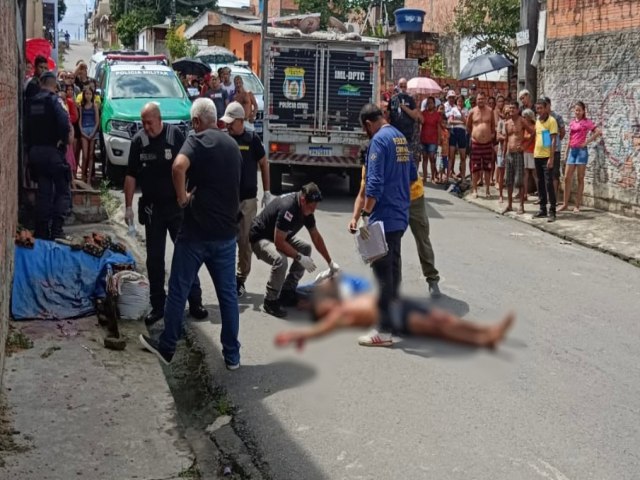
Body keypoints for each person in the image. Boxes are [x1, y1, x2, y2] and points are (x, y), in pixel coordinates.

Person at [139, 98, 243, 370]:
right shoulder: (233, 145)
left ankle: (167, 346)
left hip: (196, 234)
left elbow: (177, 167)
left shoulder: (196, 141)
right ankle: (232, 356)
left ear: (196, 122)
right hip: (225, 235)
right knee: (228, 296)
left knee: (178, 289)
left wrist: (182, 197)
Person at [124, 102, 208, 326]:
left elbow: (190, 166)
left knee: (186, 255)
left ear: (159, 119)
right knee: (154, 260)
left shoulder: (175, 136)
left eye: (149, 123)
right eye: (143, 123)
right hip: (153, 210)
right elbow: (131, 176)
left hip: (176, 207)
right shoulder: (138, 142)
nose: (146, 127)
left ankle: (196, 302)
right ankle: (158, 305)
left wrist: (190, 194)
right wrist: (128, 207)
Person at [274, 277, 514, 351]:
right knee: (440, 327)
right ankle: (483, 340)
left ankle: (488, 331)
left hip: (399, 306)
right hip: (401, 318)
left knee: (444, 320)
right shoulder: (340, 316)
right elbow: (319, 329)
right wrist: (297, 335)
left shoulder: (343, 297)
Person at [348, 104, 413, 347]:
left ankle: (384, 330)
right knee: (394, 271)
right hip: (400, 214)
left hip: (383, 217)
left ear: (367, 124)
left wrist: (365, 215)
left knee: (383, 274)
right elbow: (412, 175)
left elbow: (373, 184)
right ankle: (396, 323)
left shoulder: (378, 141)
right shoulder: (400, 138)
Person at [350, 153, 440, 299]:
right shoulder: (369, 166)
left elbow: (408, 179)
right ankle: (393, 291)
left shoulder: (394, 156)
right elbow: (363, 193)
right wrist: (355, 218)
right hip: (394, 201)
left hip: (414, 197)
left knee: (422, 238)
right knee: (392, 242)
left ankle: (432, 279)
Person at [250, 183, 339, 318]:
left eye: (315, 207)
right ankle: (270, 300)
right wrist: (299, 257)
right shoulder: (289, 208)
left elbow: (316, 237)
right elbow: (279, 243)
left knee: (305, 248)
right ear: (303, 200)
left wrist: (330, 262)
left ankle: (287, 291)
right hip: (260, 237)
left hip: (278, 235)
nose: (313, 211)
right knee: (280, 259)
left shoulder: (307, 209)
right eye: (311, 207)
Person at [221, 101, 272, 298]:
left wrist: (267, 191)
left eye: (231, 122)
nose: (227, 126)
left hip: (247, 200)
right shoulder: (225, 139)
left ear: (241, 121)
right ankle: (226, 278)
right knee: (225, 240)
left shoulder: (252, 139)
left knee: (244, 241)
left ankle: (240, 280)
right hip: (227, 199)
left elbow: (264, 164)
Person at [25, 71, 72, 239]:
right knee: (63, 190)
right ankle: (57, 230)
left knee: (44, 191)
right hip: (52, 153)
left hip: (35, 154)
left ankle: (42, 231)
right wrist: (64, 141)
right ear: (54, 85)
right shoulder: (54, 100)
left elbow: (26, 130)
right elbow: (64, 123)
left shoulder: (30, 102)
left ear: (41, 84)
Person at [558, 101, 602, 213]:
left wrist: (586, 142)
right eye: (575, 110)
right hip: (572, 151)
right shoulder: (572, 123)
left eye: (579, 110)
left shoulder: (586, 122)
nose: (577, 112)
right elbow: (570, 138)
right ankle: (565, 204)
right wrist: (566, 151)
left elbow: (598, 132)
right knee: (567, 178)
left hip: (582, 152)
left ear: (583, 111)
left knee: (580, 178)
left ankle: (577, 205)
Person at [502, 100, 535, 214]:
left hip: (519, 154)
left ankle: (521, 206)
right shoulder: (507, 123)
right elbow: (506, 140)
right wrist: (503, 154)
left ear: (518, 110)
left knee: (519, 181)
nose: (511, 110)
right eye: (510, 108)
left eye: (513, 108)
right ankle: (510, 205)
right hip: (509, 154)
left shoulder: (522, 121)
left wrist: (525, 146)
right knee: (509, 181)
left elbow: (533, 133)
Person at [533, 98, 559, 222]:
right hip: (537, 155)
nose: (539, 111)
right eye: (537, 108)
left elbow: (553, 140)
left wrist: (551, 157)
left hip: (547, 157)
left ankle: (552, 210)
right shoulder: (537, 121)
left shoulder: (552, 121)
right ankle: (542, 209)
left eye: (541, 108)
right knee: (540, 183)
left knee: (549, 184)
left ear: (546, 108)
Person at [466, 92, 495, 198]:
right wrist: (475, 135)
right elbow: (468, 126)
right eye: (479, 99)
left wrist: (490, 136)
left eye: (482, 99)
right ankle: (474, 190)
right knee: (475, 168)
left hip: (487, 143)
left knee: (488, 167)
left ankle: (487, 190)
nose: (480, 101)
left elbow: (492, 126)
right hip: (476, 143)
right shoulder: (472, 111)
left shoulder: (490, 111)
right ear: (476, 100)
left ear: (485, 99)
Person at [544, 97, 566, 200]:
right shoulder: (541, 117)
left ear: (549, 105)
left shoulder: (557, 117)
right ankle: (546, 196)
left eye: (545, 105)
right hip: (544, 149)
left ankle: (554, 197)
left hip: (555, 149)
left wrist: (556, 142)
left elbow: (562, 132)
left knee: (554, 174)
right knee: (545, 174)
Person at [388, 78, 420, 144]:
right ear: (398, 86)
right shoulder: (393, 99)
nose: (402, 88)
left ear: (406, 87)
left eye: (404, 86)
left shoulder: (410, 99)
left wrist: (404, 107)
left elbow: (415, 116)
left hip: (407, 133)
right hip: (395, 132)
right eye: (401, 86)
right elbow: (388, 114)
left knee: (405, 153)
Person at [78, 86, 99, 184]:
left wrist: (93, 132)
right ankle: (83, 176)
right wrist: (82, 131)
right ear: (84, 95)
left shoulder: (94, 106)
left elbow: (97, 121)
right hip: (84, 130)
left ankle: (89, 178)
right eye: (86, 94)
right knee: (85, 155)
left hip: (93, 130)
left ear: (92, 95)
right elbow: (80, 120)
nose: (88, 96)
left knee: (91, 155)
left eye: (90, 94)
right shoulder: (81, 106)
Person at [420, 97, 440, 183]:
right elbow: (421, 124)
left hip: (433, 139)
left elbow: (439, 128)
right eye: (428, 103)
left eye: (431, 103)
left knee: (432, 158)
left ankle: (432, 177)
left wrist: (439, 140)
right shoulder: (423, 113)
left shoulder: (437, 115)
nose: (429, 104)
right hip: (424, 138)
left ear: (434, 104)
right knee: (424, 158)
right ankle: (424, 177)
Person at [448, 95, 468, 180]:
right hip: (454, 132)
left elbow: (466, 122)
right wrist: (460, 121)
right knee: (451, 155)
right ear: (457, 102)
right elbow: (450, 121)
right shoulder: (453, 109)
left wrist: (461, 113)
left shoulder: (466, 110)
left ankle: (463, 176)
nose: (460, 103)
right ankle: (448, 175)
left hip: (462, 132)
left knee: (463, 156)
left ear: (463, 102)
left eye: (461, 101)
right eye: (458, 101)